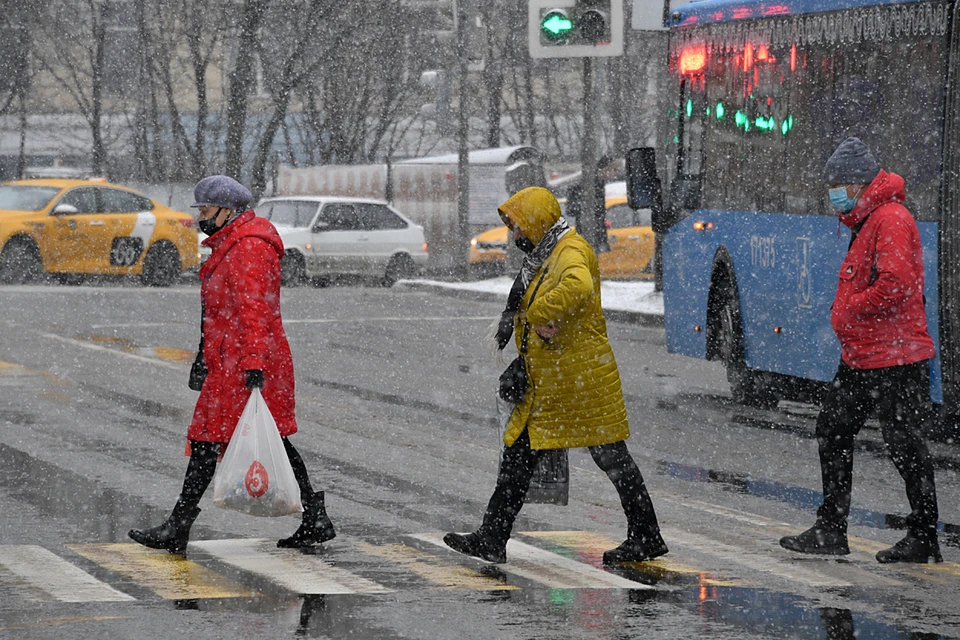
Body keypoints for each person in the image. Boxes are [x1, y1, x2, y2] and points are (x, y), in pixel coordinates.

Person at [443, 186, 667, 565]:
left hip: (580, 381)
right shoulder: (550, 252)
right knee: (521, 456)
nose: (515, 236)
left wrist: (541, 313)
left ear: (536, 221)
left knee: (611, 457)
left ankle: (645, 535)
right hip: (557, 382)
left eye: (518, 227)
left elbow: (578, 287)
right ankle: (492, 537)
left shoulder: (570, 251)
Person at [128, 175, 335, 554]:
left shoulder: (248, 247)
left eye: (205, 211)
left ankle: (179, 525)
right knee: (246, 439)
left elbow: (255, 310)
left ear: (227, 210)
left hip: (246, 364)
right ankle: (314, 517)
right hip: (230, 361)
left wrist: (254, 364)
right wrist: (203, 357)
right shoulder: (232, 243)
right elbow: (220, 312)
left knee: (222, 440)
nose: (200, 218)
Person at [779, 137, 941, 563]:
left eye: (837, 185)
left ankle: (923, 534)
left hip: (896, 357)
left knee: (904, 443)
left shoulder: (890, 219)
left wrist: (850, 310)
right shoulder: (867, 220)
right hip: (866, 356)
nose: (833, 194)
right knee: (833, 429)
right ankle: (832, 528)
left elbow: (895, 283)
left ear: (857, 184)